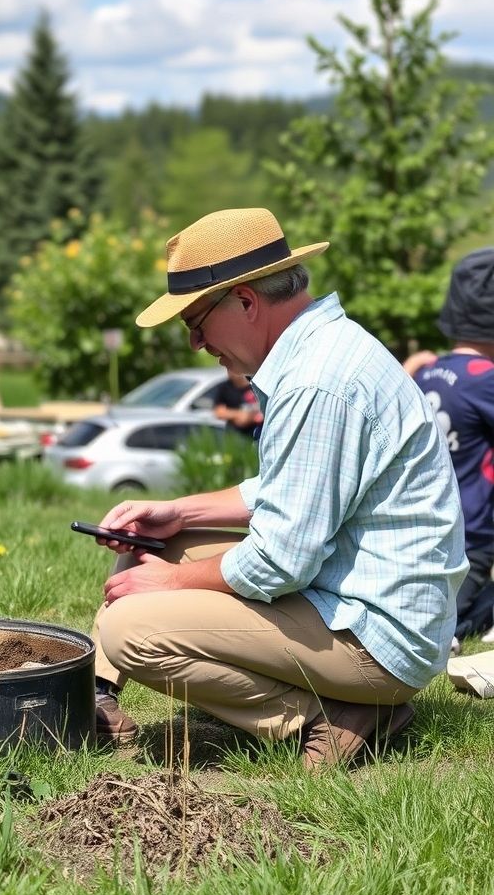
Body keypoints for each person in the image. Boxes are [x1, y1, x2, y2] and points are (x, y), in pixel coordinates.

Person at [88, 207, 466, 769]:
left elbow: (280, 560)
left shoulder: (316, 381)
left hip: (378, 637)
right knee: (153, 546)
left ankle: (332, 716)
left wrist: (170, 581)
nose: (194, 342)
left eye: (196, 320)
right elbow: (292, 490)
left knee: (130, 629)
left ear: (245, 301)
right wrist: (178, 512)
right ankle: (95, 695)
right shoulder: (315, 354)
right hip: (354, 601)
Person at [403, 248, 494, 645]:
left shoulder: (429, 371)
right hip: (472, 541)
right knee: (447, 624)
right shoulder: (485, 378)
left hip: (427, 537)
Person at [212, 368, 263, 438]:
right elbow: (219, 412)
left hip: (257, 432)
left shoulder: (255, 385)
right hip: (235, 434)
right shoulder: (224, 387)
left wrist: (251, 417)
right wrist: (239, 415)